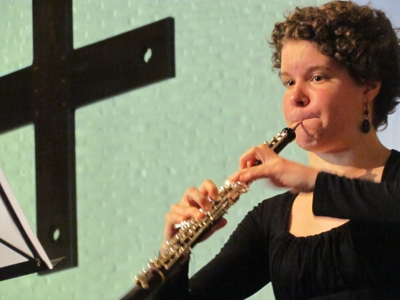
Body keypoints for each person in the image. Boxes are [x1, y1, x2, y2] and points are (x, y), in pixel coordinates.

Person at [156, 1, 400, 299]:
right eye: (288, 81)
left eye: (317, 77)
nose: (295, 97)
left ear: (368, 85)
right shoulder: (270, 220)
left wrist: (311, 181)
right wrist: (176, 255)